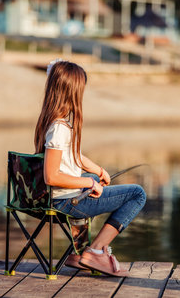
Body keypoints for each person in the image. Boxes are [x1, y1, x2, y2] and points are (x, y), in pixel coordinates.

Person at [34, 60, 146, 277]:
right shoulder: (60, 128)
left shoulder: (51, 121)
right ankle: (94, 251)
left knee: (90, 176)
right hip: (65, 202)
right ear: (73, 91)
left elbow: (73, 156)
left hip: (55, 197)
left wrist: (99, 171)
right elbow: (51, 175)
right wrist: (89, 182)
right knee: (137, 194)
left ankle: (79, 252)